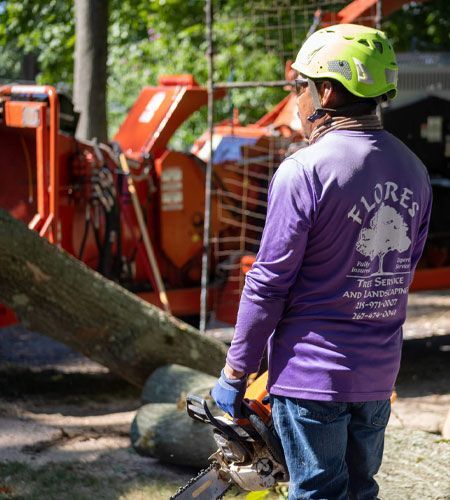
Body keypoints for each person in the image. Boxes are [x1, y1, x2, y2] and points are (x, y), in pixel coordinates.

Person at [211, 23, 432, 500]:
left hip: (313, 378)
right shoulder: (414, 171)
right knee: (360, 490)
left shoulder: (304, 171)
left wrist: (235, 372)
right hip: (377, 374)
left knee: (318, 493)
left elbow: (268, 283)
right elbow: (403, 268)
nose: (297, 99)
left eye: (300, 86)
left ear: (326, 90)